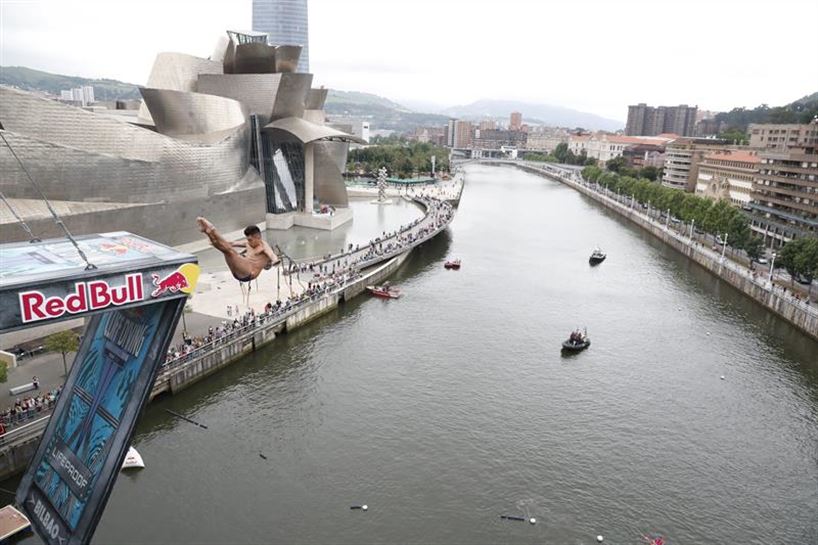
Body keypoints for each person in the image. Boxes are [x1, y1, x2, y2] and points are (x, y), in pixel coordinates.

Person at [197, 218, 279, 282]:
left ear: (258, 237)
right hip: (237, 273)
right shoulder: (247, 243)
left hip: (249, 273)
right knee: (224, 249)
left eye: (250, 240)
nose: (249, 242)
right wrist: (215, 241)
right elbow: (231, 243)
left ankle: (212, 229)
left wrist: (275, 260)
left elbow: (271, 254)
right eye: (248, 239)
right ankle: (207, 232)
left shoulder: (264, 246)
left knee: (231, 252)